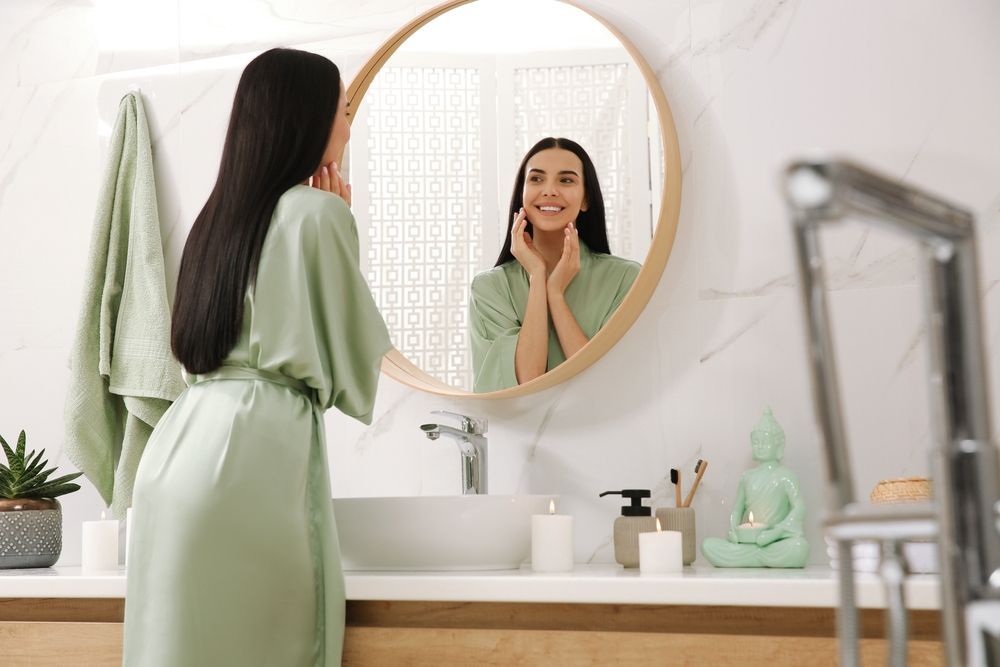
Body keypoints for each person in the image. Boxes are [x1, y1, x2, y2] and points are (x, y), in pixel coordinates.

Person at [122, 48, 391, 666]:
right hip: (255, 458)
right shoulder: (319, 214)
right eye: (343, 110)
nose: (349, 126)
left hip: (176, 455)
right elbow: (350, 365)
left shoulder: (214, 221)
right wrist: (340, 225)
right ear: (308, 118)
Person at [469, 137, 640, 392]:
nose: (549, 190)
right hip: (520, 432)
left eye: (566, 180)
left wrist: (556, 294)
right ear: (522, 195)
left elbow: (606, 386)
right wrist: (538, 277)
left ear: (585, 200)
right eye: (536, 179)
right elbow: (526, 382)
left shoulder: (625, 278)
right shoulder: (490, 288)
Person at [701, 408, 810, 568]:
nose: (759, 446)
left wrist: (776, 532)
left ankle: (753, 558)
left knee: (799, 548)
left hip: (775, 542)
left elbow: (799, 507)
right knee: (708, 545)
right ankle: (758, 557)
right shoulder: (747, 477)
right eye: (756, 442)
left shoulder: (786, 475)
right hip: (749, 542)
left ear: (778, 445)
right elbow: (737, 510)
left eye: (765, 442)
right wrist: (733, 530)